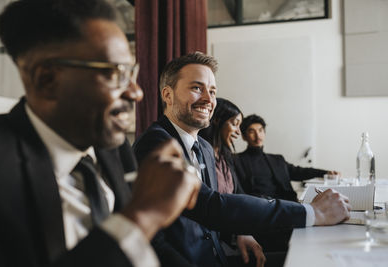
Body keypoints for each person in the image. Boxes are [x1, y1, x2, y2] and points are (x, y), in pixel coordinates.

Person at [0, 1, 202, 266]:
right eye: (115, 73)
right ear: (47, 80)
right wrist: (142, 216)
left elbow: (147, 247)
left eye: (131, 72)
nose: (136, 92)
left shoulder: (113, 146)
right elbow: (137, 230)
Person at [133, 52, 351, 266]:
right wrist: (312, 212)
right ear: (167, 95)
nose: (209, 100)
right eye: (196, 88)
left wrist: (240, 231)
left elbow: (216, 209)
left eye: (212, 91)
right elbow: (211, 206)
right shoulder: (156, 144)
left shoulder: (205, 148)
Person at [199, 98, 266, 267]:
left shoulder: (225, 157)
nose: (238, 131)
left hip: (231, 235)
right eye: (234, 124)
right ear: (216, 121)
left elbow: (239, 196)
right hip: (213, 242)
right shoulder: (200, 156)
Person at [236, 114, 340, 202]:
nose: (257, 136)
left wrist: (325, 172)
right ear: (244, 136)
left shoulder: (277, 159)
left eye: (260, 130)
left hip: (289, 204)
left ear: (264, 133)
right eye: (251, 131)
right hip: (262, 208)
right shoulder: (237, 160)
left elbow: (299, 172)